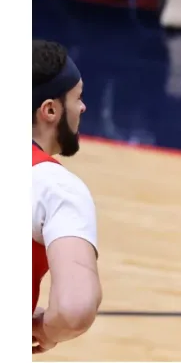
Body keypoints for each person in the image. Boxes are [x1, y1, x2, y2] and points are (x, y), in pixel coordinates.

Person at [32, 40, 102, 354]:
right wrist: (46, 330)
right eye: (78, 97)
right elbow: (74, 309)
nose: (82, 108)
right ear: (50, 110)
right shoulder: (54, 185)